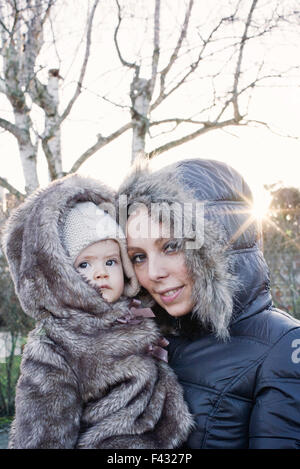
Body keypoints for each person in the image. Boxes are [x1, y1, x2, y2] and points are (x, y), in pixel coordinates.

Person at [119, 158, 300, 449]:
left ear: (219, 245)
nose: (153, 273)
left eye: (171, 246)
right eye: (138, 256)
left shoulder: (285, 347)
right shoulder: (151, 340)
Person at [2, 174, 193, 449]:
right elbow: (43, 433)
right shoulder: (56, 344)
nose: (101, 272)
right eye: (84, 265)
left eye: (111, 261)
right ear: (62, 274)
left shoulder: (142, 312)